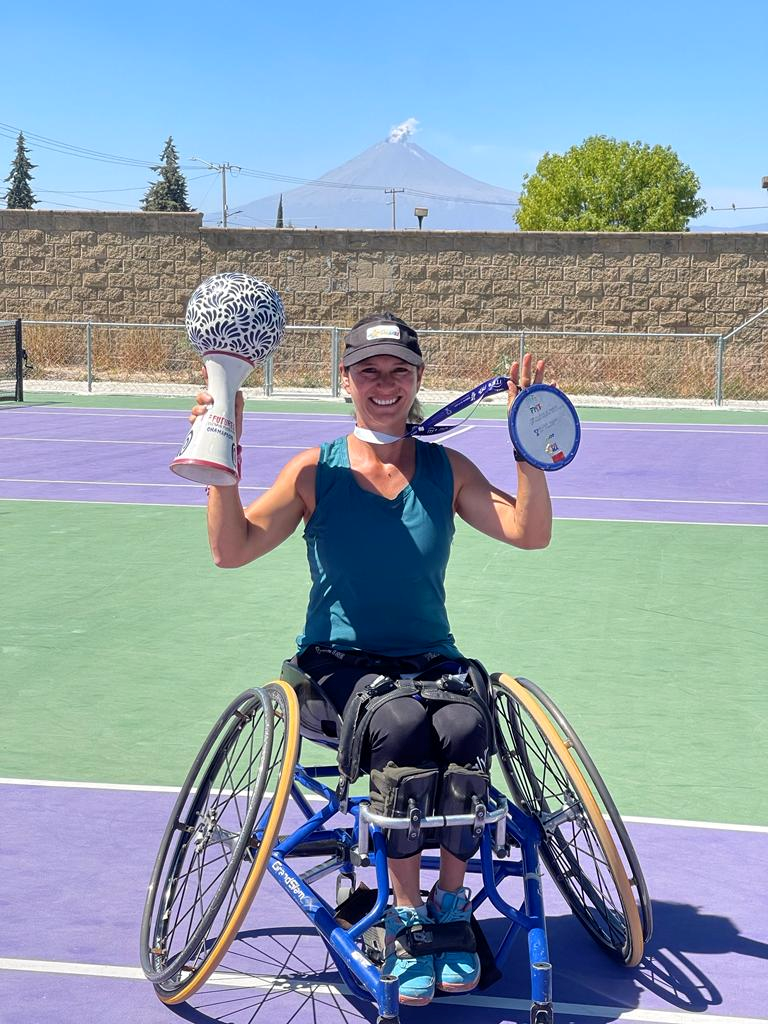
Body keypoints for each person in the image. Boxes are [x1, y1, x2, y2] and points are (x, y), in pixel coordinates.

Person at [192, 312, 552, 1006]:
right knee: (399, 728)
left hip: (428, 660)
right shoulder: (313, 470)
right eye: (369, 371)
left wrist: (529, 447)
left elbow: (529, 533)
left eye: (399, 371)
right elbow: (230, 548)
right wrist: (221, 462)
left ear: (418, 380)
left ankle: (451, 906)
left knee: (465, 727)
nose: (384, 384)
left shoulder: (448, 469)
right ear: (347, 380)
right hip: (338, 668)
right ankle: (405, 912)